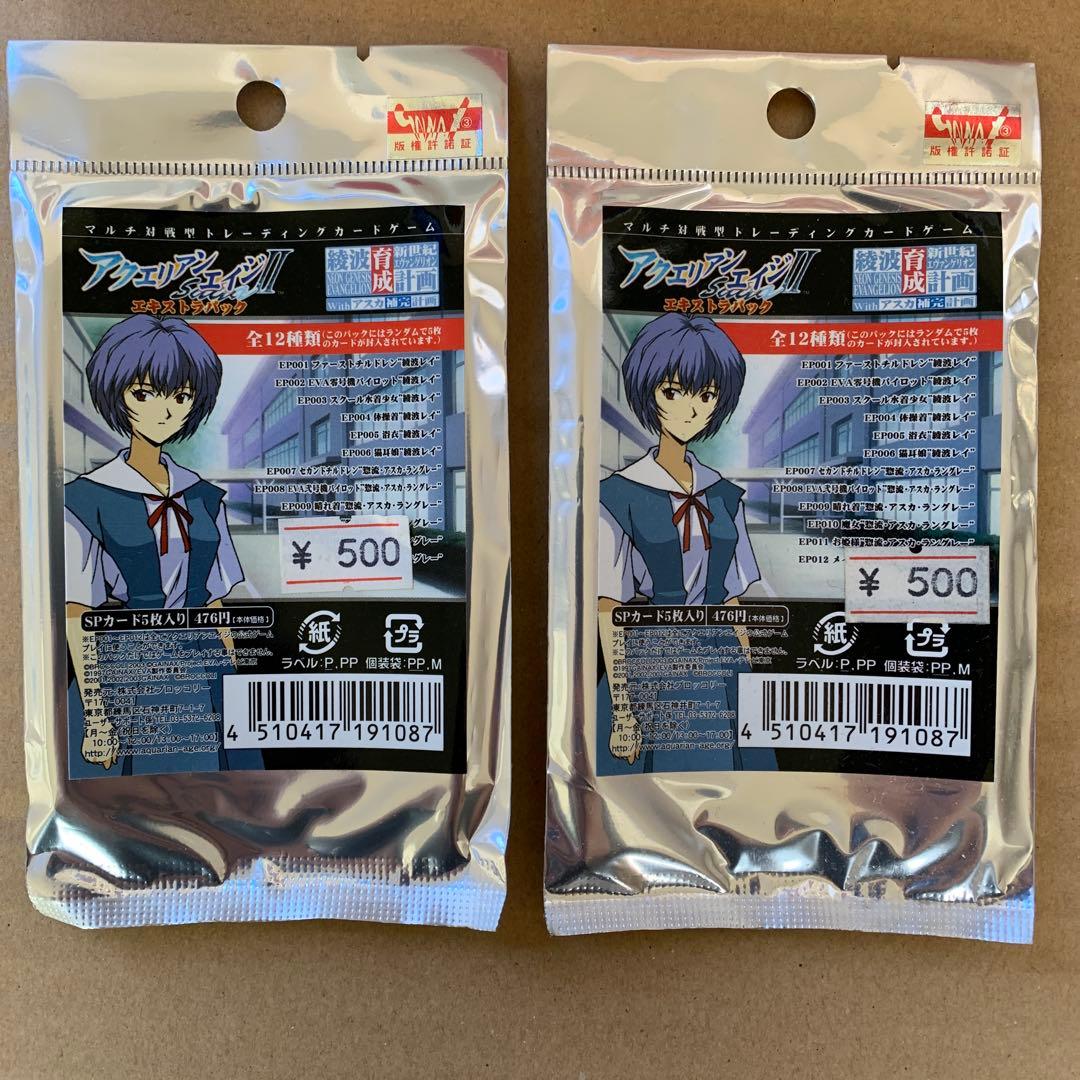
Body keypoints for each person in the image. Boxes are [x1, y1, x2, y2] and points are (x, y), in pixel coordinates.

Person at [64, 314, 262, 776]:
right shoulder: (86, 499)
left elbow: (214, 603)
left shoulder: (204, 495)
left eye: (182, 397)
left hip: (206, 667)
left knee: (229, 788)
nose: (165, 411)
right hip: (127, 670)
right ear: (116, 393)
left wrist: (238, 685)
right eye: (144, 393)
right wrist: (96, 717)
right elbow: (79, 614)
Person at [597, 312, 776, 773]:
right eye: (673, 391)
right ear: (648, 391)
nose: (691, 409)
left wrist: (752, 685)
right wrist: (622, 711)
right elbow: (610, 609)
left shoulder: (724, 494)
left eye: (707, 395)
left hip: (722, 660)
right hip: (653, 661)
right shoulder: (618, 495)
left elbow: (732, 599)